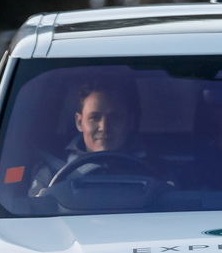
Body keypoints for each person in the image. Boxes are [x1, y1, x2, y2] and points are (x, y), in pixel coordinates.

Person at [29, 80, 168, 198]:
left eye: (115, 118)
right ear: (79, 122)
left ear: (129, 122)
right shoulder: (51, 172)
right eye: (94, 118)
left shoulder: (158, 171)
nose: (104, 127)